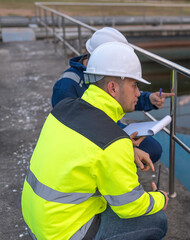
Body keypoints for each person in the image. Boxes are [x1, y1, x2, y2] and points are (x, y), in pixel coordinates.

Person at [22, 42, 169, 240]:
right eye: (134, 85)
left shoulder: (65, 108)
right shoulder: (112, 141)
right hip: (64, 233)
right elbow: (131, 206)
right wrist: (160, 198)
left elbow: (87, 150)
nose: (137, 93)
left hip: (39, 223)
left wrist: (126, 150)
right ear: (113, 87)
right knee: (158, 221)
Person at [52, 27, 174, 164]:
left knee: (153, 150)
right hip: (88, 135)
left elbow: (120, 96)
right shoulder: (66, 86)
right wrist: (125, 149)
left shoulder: (106, 75)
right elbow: (72, 133)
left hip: (108, 125)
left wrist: (149, 99)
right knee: (133, 155)